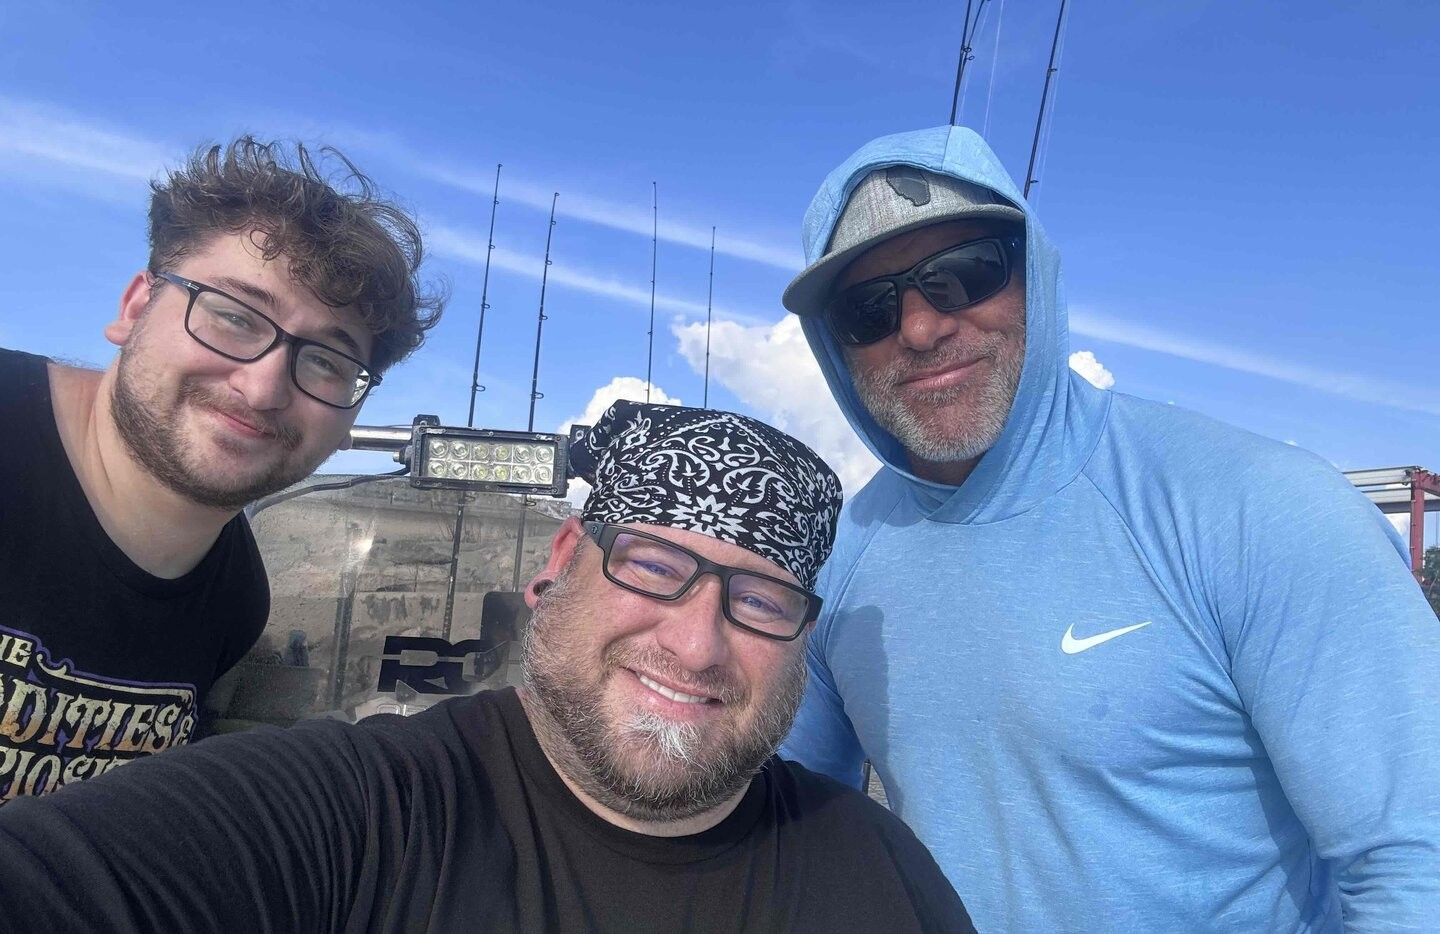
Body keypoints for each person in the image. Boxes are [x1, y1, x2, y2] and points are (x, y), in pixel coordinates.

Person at [778, 125, 1440, 932]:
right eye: (867, 309)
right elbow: (783, 829)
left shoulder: (1262, 508)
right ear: (835, 346)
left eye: (962, 273)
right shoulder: (836, 561)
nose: (919, 328)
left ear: (1035, 276)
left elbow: (1417, 862)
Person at [0, 401, 975, 934]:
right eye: (653, 565)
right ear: (560, 566)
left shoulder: (880, 869)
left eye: (759, 599)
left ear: (804, 632)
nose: (696, 643)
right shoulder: (355, 818)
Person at [0, 137, 443, 801]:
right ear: (135, 308)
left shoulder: (236, 599)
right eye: (235, 317)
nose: (264, 388)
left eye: (326, 361)